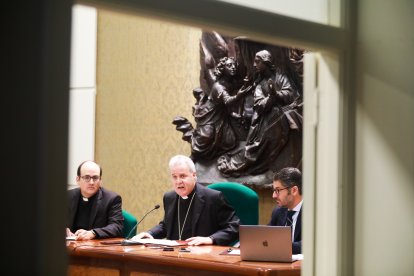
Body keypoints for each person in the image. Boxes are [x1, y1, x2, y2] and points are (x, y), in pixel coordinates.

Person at [132, 155, 240, 246]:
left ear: (194, 176)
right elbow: (166, 226)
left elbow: (234, 226)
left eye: (182, 176)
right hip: (173, 255)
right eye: (174, 177)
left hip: (202, 256)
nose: (178, 181)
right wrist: (150, 233)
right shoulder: (169, 197)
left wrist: (210, 239)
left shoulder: (212, 198)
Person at [67, 160, 124, 240]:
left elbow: (117, 227)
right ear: (78, 179)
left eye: (95, 178)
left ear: (100, 181)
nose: (91, 182)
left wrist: (93, 233)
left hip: (95, 247)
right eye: (86, 177)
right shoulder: (67, 196)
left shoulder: (112, 199)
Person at [268, 167, 303, 254]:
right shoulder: (278, 212)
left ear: (294, 190)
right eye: (274, 191)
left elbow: (311, 244)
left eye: (278, 190)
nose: (274, 196)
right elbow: (267, 236)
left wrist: (278, 246)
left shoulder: (314, 213)